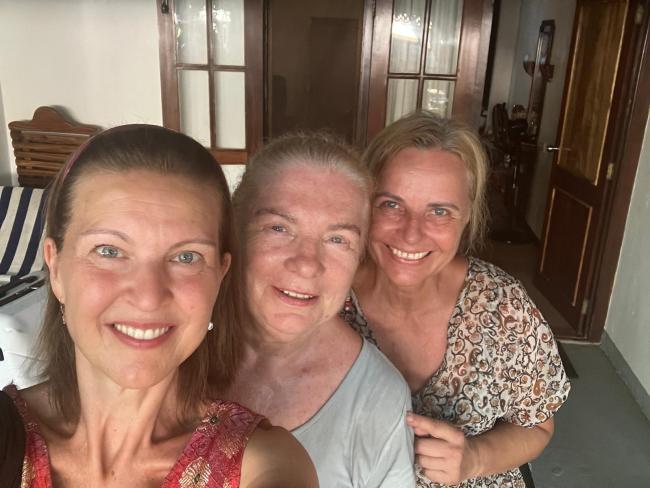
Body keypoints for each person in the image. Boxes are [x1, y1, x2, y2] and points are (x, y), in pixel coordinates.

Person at [1, 125, 316, 488]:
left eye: (186, 256)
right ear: (56, 269)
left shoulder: (263, 462)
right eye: (109, 251)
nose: (149, 297)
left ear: (219, 277)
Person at [343, 112, 571, 487]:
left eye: (439, 211)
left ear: (467, 218)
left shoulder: (502, 305)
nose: (411, 234)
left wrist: (474, 458)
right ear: (364, 204)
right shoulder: (327, 299)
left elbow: (537, 426)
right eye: (391, 204)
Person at [226, 133, 416, 487]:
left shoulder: (377, 399)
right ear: (234, 231)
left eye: (337, 239)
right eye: (279, 228)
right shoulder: (172, 350)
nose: (307, 264)